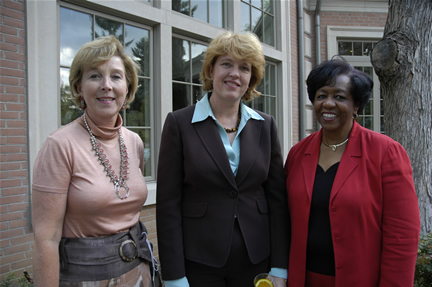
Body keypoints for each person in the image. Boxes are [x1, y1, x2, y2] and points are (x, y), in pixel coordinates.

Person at [156, 31, 289, 287]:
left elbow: (278, 202)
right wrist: (174, 276)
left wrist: (280, 267)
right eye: (226, 64)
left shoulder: (266, 126)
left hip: (257, 262)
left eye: (244, 68)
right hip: (199, 263)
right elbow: (168, 205)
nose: (234, 74)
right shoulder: (179, 123)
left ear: (252, 78)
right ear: (211, 69)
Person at [32, 36, 158, 286]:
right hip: (84, 278)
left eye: (116, 76)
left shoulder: (134, 142)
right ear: (79, 87)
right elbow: (46, 238)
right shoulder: (59, 146)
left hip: (138, 273)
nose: (106, 85)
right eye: (95, 76)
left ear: (128, 87)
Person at [284, 57, 421, 287]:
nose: (328, 103)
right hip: (303, 280)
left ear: (356, 105)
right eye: (321, 96)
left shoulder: (385, 153)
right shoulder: (298, 154)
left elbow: (402, 236)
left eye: (339, 96)